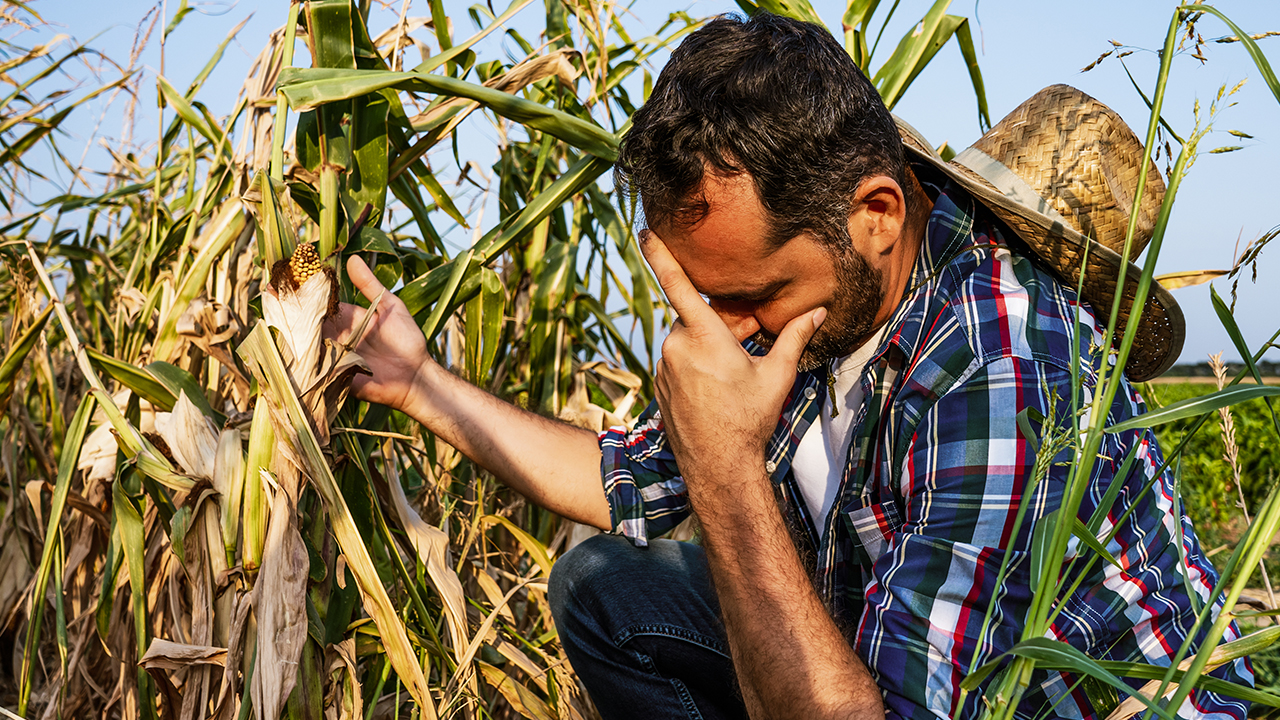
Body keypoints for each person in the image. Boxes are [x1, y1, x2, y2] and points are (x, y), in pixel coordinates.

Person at [326, 12, 1254, 720]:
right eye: (701, 296)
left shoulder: (1004, 364)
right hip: (888, 666)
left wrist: (728, 469)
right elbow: (625, 478)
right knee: (606, 586)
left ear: (878, 215)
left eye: (748, 295)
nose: (721, 333)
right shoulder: (821, 307)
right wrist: (418, 381)